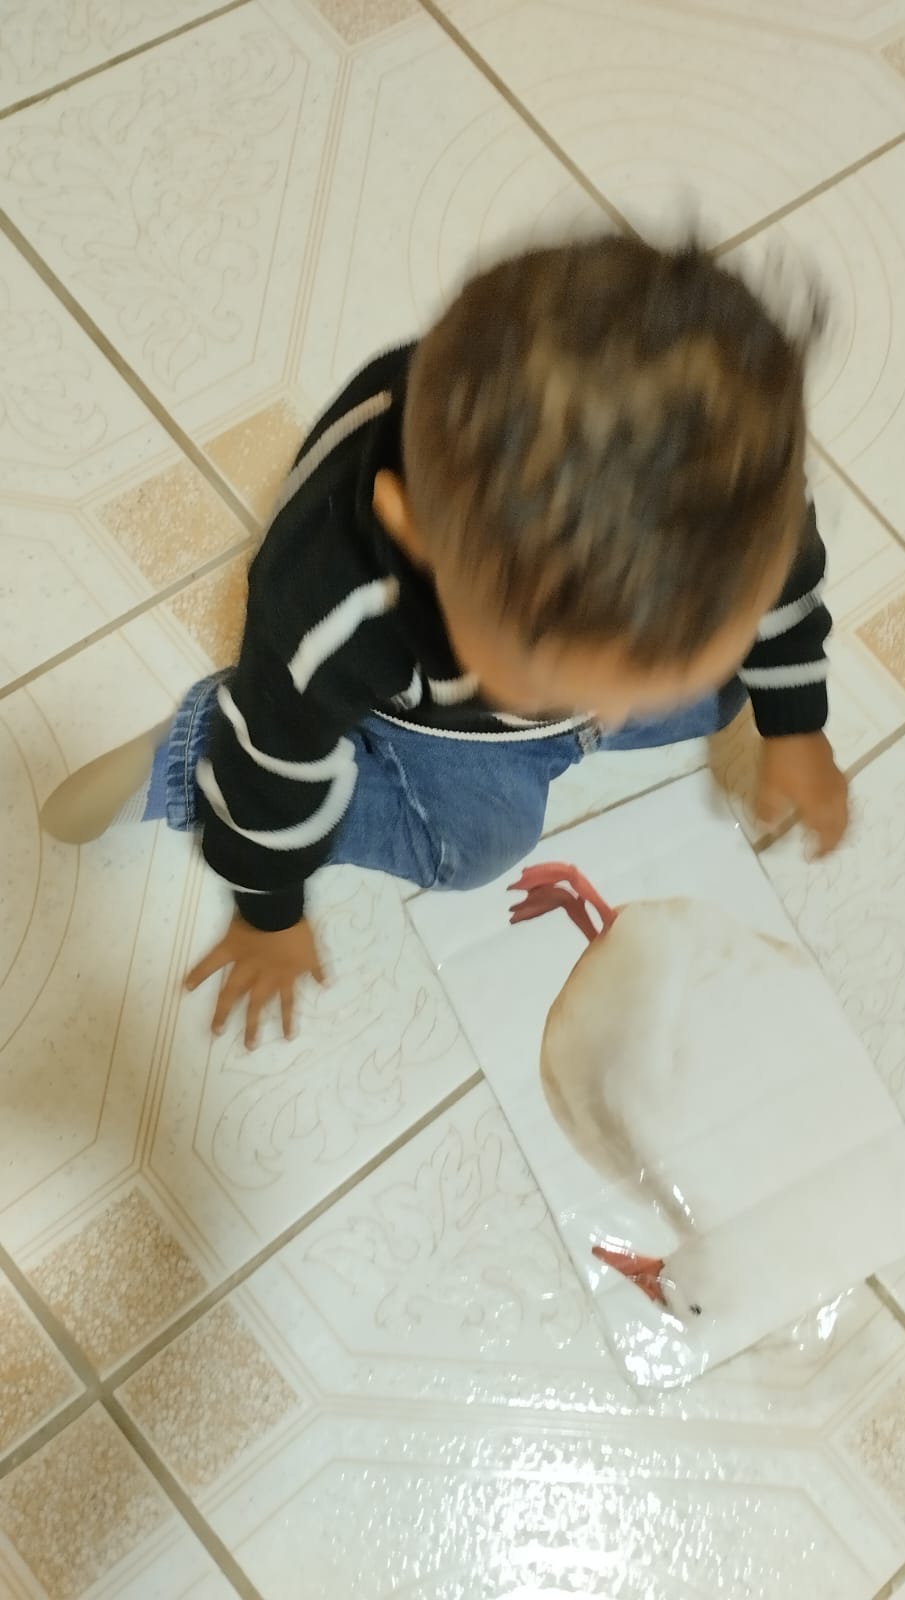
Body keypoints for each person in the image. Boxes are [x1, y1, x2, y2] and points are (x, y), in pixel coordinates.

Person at [42, 235, 849, 1048]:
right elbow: (272, 773)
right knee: (476, 849)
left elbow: (785, 580)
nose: (614, 713)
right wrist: (269, 912)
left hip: (537, 642)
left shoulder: (731, 491)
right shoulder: (334, 606)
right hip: (433, 717)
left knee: (723, 694)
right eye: (568, 684)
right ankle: (193, 752)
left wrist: (796, 724)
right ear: (419, 540)